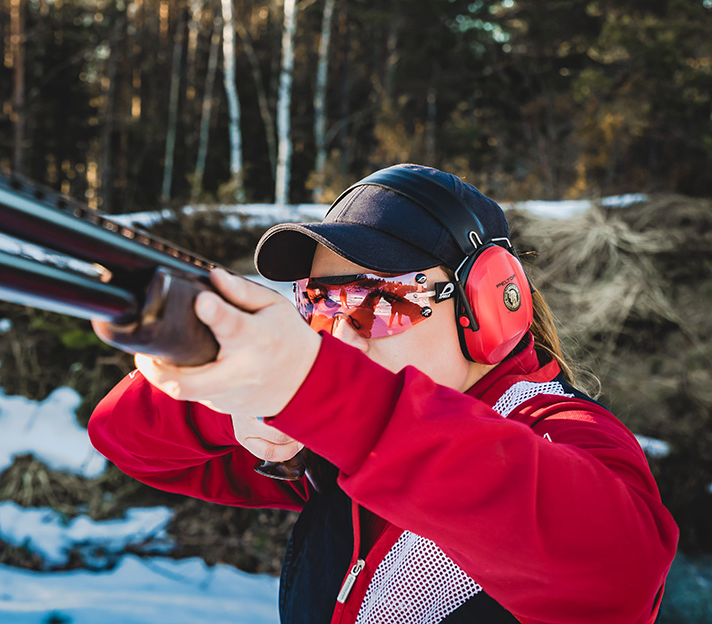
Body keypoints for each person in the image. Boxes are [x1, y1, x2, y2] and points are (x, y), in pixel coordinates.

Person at [87, 164, 678, 624]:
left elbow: (620, 574)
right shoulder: (341, 443)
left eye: (382, 300)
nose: (342, 332)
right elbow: (122, 439)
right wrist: (234, 402)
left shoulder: (565, 429)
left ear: (486, 303)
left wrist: (314, 388)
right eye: (322, 301)